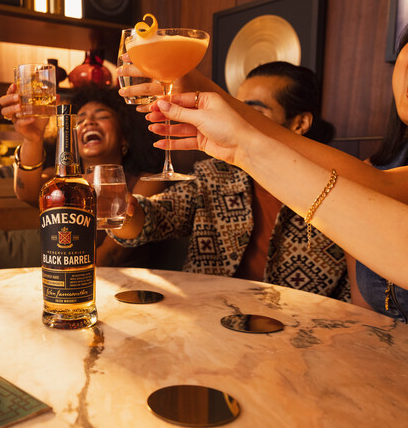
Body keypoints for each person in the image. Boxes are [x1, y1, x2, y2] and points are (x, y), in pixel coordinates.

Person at [130, 0, 408, 371]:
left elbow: (392, 214)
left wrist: (232, 123)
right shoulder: (375, 167)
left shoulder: (393, 178)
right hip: (374, 375)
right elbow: (366, 311)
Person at [109, 62, 348, 300]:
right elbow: (153, 218)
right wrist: (124, 208)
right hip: (209, 315)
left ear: (300, 124)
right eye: (235, 110)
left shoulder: (336, 193)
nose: (236, 121)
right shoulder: (216, 176)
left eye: (253, 112)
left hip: (299, 327)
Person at [0, 84, 167, 266]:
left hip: (126, 287)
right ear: (69, 138)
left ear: (124, 136)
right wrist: (32, 138)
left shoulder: (145, 182)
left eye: (102, 116)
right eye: (79, 121)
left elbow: (111, 254)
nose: (89, 122)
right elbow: (26, 193)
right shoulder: (62, 183)